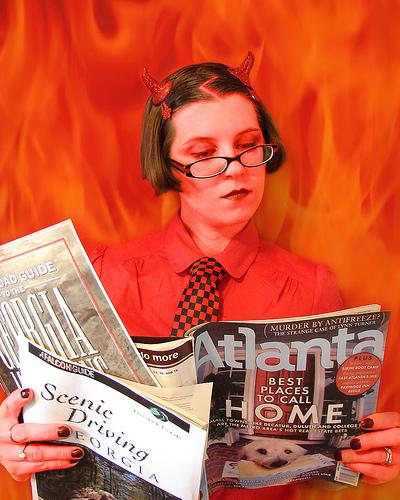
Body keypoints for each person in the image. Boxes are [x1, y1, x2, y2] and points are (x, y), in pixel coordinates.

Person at [0, 53, 399, 498]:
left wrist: (373, 455)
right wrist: (20, 444)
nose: (236, 167)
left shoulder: (311, 286)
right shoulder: (105, 276)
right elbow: (52, 420)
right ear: (168, 164)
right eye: (204, 153)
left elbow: (334, 445)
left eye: (249, 145)